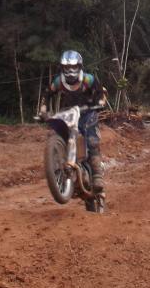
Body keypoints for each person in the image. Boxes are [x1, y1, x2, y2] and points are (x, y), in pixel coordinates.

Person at [39, 50, 107, 191]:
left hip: (87, 112)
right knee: (56, 133)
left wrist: (100, 101)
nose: (70, 70)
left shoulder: (88, 79)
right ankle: (59, 168)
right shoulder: (58, 81)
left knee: (92, 142)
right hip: (69, 113)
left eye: (73, 67)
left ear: (79, 66)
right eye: (67, 67)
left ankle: (97, 176)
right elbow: (47, 93)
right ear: (62, 68)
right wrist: (43, 109)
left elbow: (100, 91)